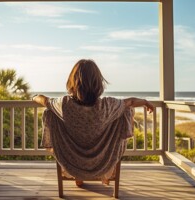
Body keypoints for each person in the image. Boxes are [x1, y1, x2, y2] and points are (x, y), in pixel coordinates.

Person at [32, 59, 154, 187]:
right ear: (98, 83)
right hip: (102, 161)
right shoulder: (108, 105)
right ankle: (99, 175)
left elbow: (44, 100)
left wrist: (34, 96)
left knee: (50, 112)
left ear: (73, 82)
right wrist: (145, 102)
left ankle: (78, 175)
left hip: (72, 159)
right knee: (126, 111)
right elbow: (130, 102)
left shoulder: (64, 104)